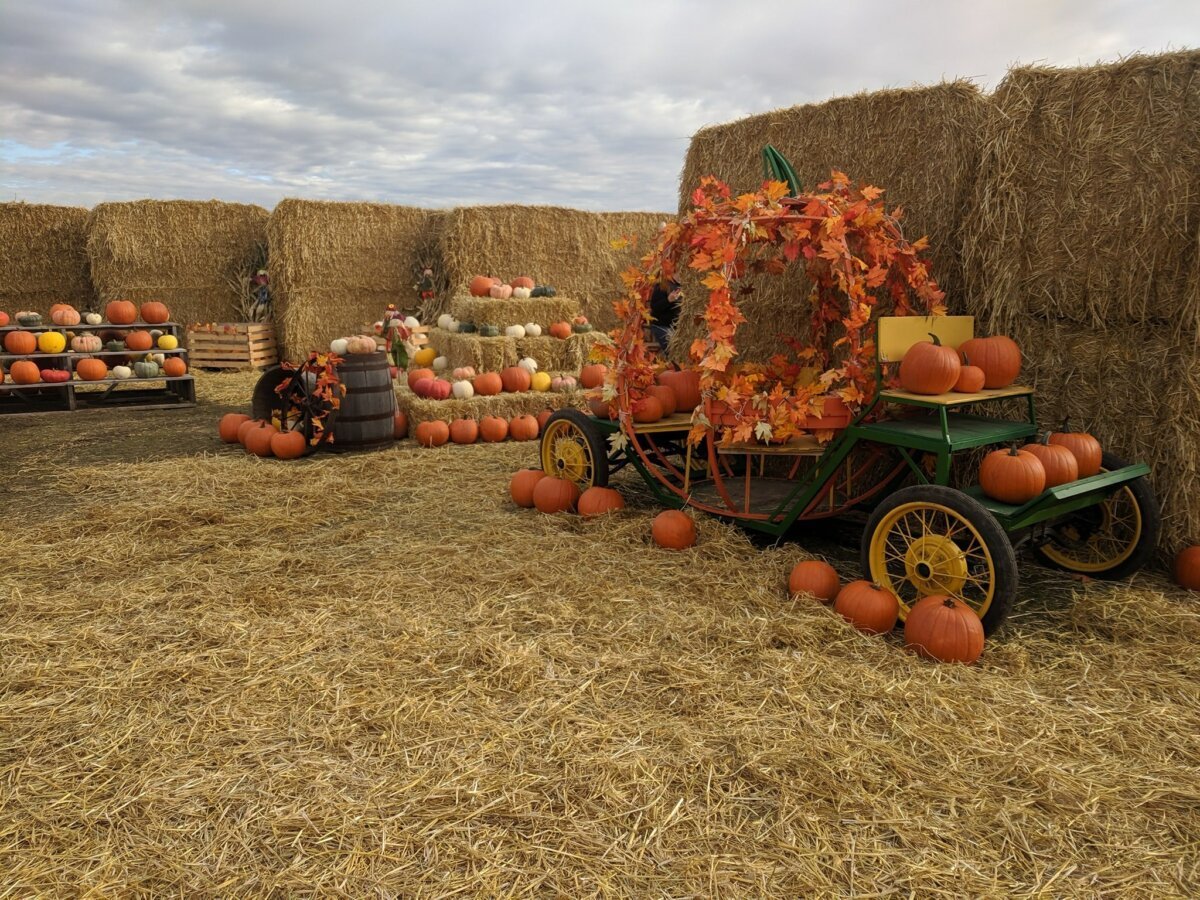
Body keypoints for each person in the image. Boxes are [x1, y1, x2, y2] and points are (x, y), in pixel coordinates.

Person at [648, 276, 680, 352]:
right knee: (674, 352)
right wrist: (668, 300)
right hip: (662, 325)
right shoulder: (663, 285)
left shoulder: (686, 286)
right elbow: (655, 307)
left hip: (677, 328)